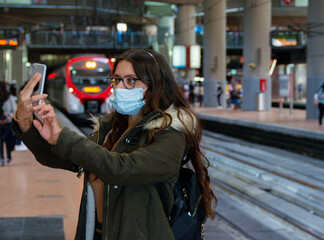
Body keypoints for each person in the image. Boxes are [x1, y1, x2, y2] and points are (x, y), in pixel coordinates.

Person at [11, 49, 217, 240]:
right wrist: (26, 125)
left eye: (130, 81)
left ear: (155, 86)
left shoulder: (170, 134)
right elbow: (67, 156)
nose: (119, 87)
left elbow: (123, 169)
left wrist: (63, 137)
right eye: (117, 79)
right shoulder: (112, 130)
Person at [0, 81, 17, 166]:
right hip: (7, 123)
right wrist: (10, 117)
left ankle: (2, 158)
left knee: (0, 141)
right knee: (7, 140)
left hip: (1, 123)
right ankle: (8, 156)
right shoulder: (9, 97)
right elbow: (14, 109)